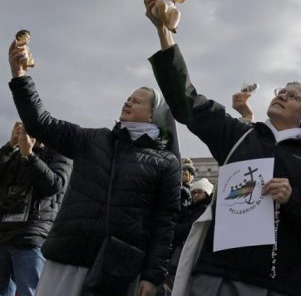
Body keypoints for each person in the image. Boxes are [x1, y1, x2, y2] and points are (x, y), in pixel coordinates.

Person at [144, 0, 301, 296]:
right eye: (282, 90)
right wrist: (164, 32)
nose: (283, 95)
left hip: (278, 285)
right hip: (215, 278)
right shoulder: (240, 135)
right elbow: (186, 101)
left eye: (294, 96)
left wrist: (292, 199)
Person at [8, 41, 181, 296]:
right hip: (68, 257)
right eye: (128, 98)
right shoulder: (93, 139)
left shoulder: (166, 163)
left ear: (153, 115)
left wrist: (153, 275)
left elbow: (165, 224)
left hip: (119, 269)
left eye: (137, 101)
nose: (128, 102)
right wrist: (19, 75)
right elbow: (41, 122)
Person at [0, 122, 72, 296]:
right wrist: (9, 146)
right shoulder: (14, 156)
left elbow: (54, 185)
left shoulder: (59, 153)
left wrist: (30, 156)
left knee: (31, 291)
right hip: (3, 235)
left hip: (30, 236)